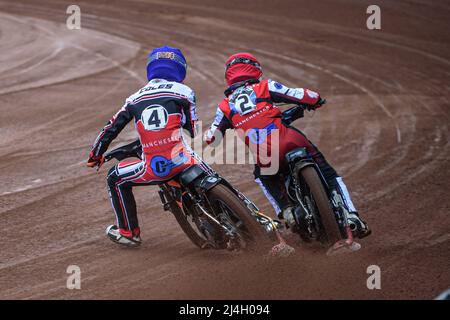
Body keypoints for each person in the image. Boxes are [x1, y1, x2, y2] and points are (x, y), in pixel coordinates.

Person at [205, 52, 370, 238]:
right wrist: (315, 100)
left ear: (229, 76)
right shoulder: (265, 86)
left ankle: (286, 211)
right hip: (290, 140)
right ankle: (350, 215)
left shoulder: (224, 106)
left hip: (266, 156)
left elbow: (212, 138)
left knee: (263, 177)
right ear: (256, 70)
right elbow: (302, 95)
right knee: (328, 173)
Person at [87, 46, 207, 246]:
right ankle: (250, 214)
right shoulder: (185, 91)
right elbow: (191, 130)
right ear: (180, 69)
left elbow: (110, 128)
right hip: (184, 160)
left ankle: (128, 233)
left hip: (153, 168)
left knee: (114, 178)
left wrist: (95, 155)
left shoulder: (133, 99)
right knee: (207, 168)